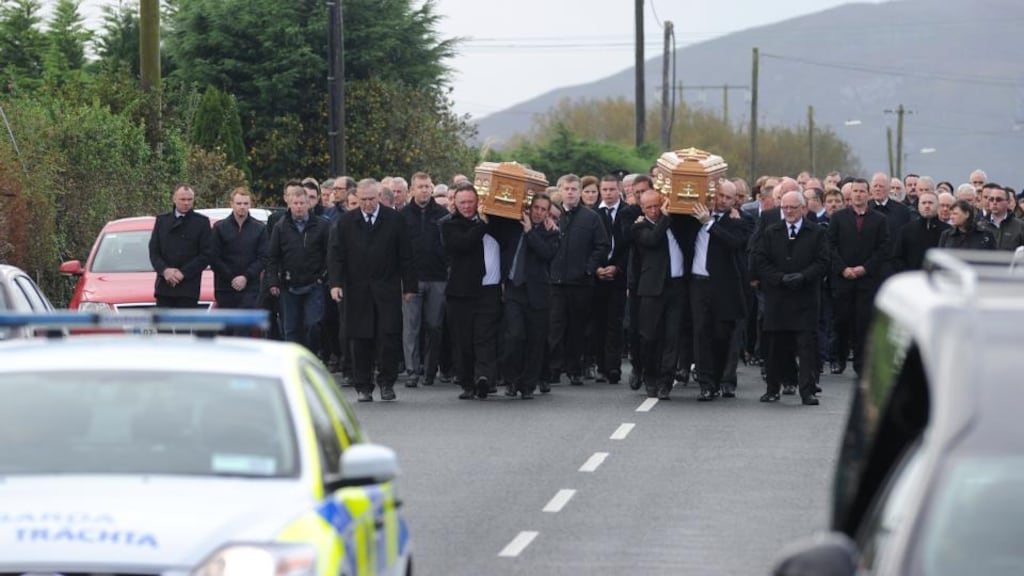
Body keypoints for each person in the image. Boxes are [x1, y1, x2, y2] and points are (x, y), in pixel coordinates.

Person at [329, 178, 416, 402]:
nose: (367, 204)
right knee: (360, 340)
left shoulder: (395, 220)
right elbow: (336, 256)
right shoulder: (347, 222)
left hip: (386, 289)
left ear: (379, 197)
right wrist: (335, 284)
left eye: (371, 199)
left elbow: (406, 255)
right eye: (363, 200)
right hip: (357, 291)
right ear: (357, 199)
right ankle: (363, 386)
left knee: (388, 338)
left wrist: (409, 286)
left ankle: (387, 383)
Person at [753, 190, 829, 405]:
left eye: (793, 207)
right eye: (785, 207)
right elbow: (761, 260)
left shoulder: (816, 233)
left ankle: (807, 391)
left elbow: (823, 261)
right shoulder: (771, 232)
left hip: (805, 298)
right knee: (776, 348)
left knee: (806, 349)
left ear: (803, 208)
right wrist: (779, 278)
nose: (788, 211)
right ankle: (772, 389)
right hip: (778, 298)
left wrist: (803, 277)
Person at [684, 179, 749, 401]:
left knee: (722, 334)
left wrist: (709, 223)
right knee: (701, 332)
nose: (722, 200)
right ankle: (706, 383)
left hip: (724, 286)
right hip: (698, 282)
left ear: (735, 201)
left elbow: (734, 242)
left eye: (728, 197)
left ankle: (721, 376)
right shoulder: (696, 215)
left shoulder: (740, 220)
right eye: (720, 195)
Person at [441, 183, 505, 400]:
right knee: (463, 340)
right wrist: (482, 225)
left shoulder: (493, 221)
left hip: (490, 289)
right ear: (455, 204)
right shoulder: (449, 225)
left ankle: (484, 378)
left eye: (471, 202)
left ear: (478, 201)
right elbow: (463, 244)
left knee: (485, 337)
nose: (467, 206)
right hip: (461, 293)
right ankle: (467, 382)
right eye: (462, 203)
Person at [547, 174, 610, 386]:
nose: (571, 192)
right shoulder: (552, 215)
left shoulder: (591, 218)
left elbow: (602, 245)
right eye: (567, 188)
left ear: (580, 191)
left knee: (577, 327)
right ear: (560, 190)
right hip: (555, 282)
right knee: (555, 327)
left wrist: (589, 269)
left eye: (575, 189)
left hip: (581, 282)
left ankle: (574, 368)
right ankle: (554, 368)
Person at [501, 193, 560, 399]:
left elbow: (546, 254)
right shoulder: (514, 226)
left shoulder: (551, 232)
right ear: (529, 207)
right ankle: (511, 380)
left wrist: (530, 232)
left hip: (538, 293)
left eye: (543, 209)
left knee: (536, 341)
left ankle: (528, 385)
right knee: (514, 336)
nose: (538, 212)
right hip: (514, 289)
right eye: (536, 207)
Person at [828, 178, 889, 377]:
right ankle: (839, 358)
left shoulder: (879, 220)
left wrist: (865, 268)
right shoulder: (838, 218)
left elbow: (883, 249)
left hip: (867, 280)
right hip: (843, 279)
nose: (859, 195)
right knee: (841, 321)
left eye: (863, 191)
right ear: (850, 194)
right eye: (855, 191)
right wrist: (843, 268)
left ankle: (862, 363)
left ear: (869, 194)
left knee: (864, 323)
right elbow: (830, 246)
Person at [632, 191, 688, 399]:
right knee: (649, 336)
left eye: (657, 205)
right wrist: (665, 217)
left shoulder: (674, 222)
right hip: (652, 289)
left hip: (677, 286)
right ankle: (650, 377)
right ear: (642, 209)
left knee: (672, 337)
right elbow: (653, 240)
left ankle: (666, 382)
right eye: (649, 208)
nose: (655, 211)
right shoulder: (639, 227)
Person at [266, 181, 330, 351]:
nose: (299, 207)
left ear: (308, 204)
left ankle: (311, 357)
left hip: (314, 284)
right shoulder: (280, 227)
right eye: (295, 203)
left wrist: (323, 277)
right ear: (289, 203)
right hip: (289, 285)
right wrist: (273, 281)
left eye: (302, 203)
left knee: (313, 325)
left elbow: (329, 255)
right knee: (291, 329)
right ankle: (293, 363)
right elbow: (273, 256)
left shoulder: (322, 226)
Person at [399, 172, 449, 387]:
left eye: (428, 186)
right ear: (412, 189)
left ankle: (430, 369)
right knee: (411, 327)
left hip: (438, 277)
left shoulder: (443, 214)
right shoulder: (402, 216)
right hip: (411, 279)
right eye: (420, 186)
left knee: (435, 326)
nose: (425, 190)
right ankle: (412, 370)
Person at [590, 175, 640, 384]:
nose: (608, 193)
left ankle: (613, 367)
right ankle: (601, 365)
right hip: (597, 275)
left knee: (615, 322)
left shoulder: (627, 212)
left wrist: (617, 267)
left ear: (619, 190)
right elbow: (588, 245)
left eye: (612, 189)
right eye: (605, 189)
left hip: (619, 275)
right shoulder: (592, 213)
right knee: (598, 322)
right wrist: (596, 268)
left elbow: (630, 244)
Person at [148, 184, 212, 308]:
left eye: (189, 200)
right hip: (164, 287)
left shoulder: (202, 222)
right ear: (174, 199)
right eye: (183, 199)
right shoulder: (162, 221)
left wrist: (183, 273)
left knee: (184, 327)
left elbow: (206, 254)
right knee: (163, 326)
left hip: (189, 288)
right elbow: (154, 251)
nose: (186, 203)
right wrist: (165, 270)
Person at [211, 187, 268, 315]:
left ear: (250, 204)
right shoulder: (219, 228)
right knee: (227, 329)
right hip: (225, 288)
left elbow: (263, 257)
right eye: (239, 203)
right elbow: (214, 257)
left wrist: (246, 277)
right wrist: (231, 277)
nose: (242, 207)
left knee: (243, 328)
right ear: (231, 204)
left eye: (245, 203)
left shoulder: (260, 228)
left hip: (250, 288)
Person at [892, 191, 949, 272]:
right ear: (918, 206)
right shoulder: (906, 230)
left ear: (938, 206)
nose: (927, 206)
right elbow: (897, 258)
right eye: (923, 203)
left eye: (930, 203)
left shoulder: (947, 231)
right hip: (912, 279)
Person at [983, 184, 1024, 251]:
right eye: (991, 199)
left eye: (998, 199)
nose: (994, 202)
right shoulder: (980, 225)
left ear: (1008, 202)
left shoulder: (1020, 226)